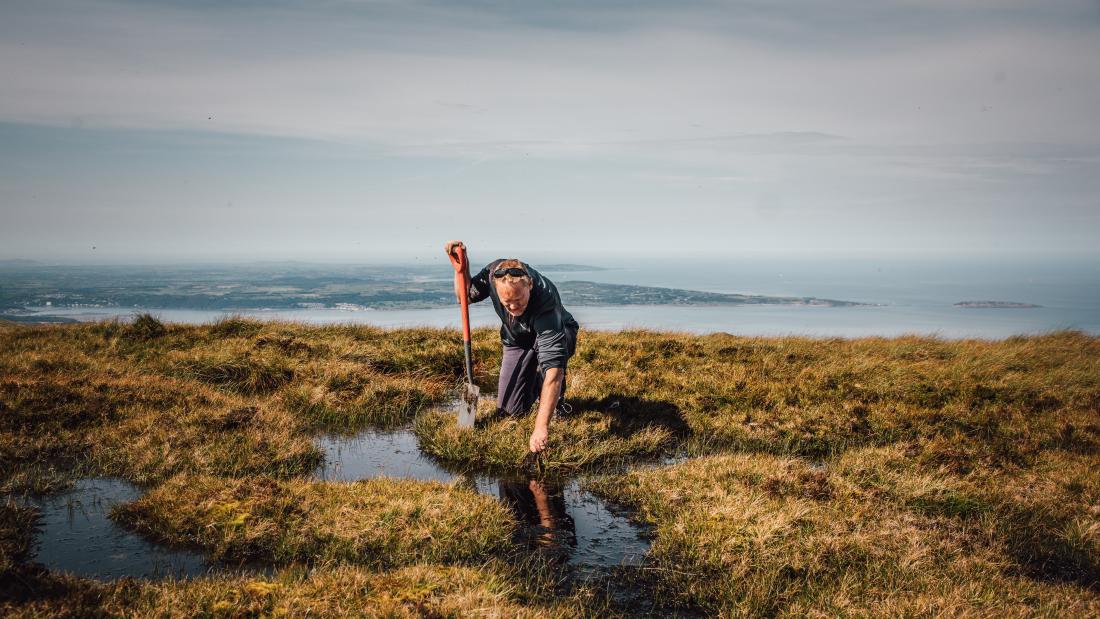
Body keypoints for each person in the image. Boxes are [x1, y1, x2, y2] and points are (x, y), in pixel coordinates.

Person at [444, 241, 579, 453]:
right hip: (516, 339)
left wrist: (540, 427)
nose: (514, 307)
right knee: (510, 412)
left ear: (530, 285)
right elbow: (464, 297)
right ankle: (536, 387)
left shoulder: (546, 302)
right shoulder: (492, 274)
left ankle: (555, 399)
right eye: (507, 303)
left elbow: (554, 370)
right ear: (496, 290)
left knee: (550, 370)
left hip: (557, 333)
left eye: (519, 299)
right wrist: (462, 268)